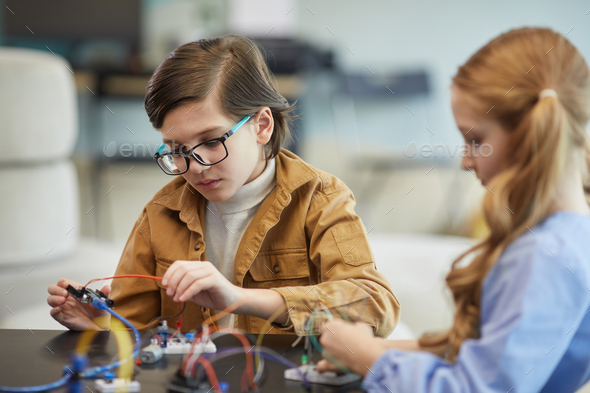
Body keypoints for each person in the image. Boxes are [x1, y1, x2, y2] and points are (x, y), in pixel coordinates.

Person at [46, 35, 399, 336]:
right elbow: (136, 331)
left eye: (212, 141)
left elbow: (374, 303)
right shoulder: (160, 213)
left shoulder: (320, 198)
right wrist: (102, 325)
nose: (195, 167)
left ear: (262, 125)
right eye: (177, 150)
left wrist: (241, 299)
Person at [318, 27, 590, 392]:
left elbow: (475, 387)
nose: (465, 161)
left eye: (476, 140)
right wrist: (380, 349)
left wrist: (369, 357)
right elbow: (490, 355)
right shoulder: (571, 237)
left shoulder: (545, 256)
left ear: (532, 136)